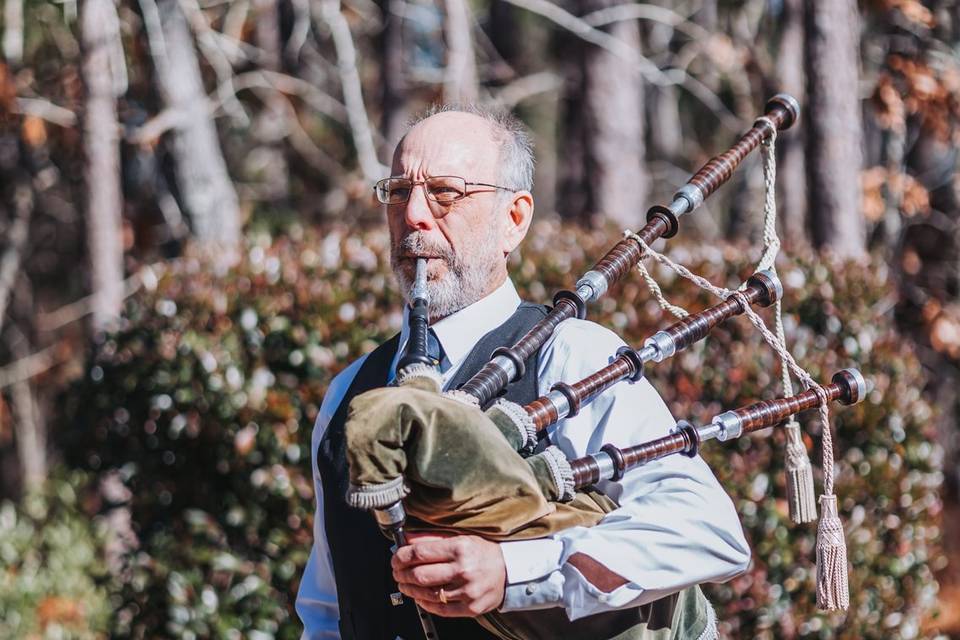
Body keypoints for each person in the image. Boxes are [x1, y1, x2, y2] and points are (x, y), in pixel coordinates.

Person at [296, 105, 751, 639]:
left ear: (514, 219)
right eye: (398, 191)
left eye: (445, 191)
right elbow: (329, 610)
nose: (414, 213)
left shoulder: (573, 356)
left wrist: (514, 572)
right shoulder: (349, 393)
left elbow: (708, 531)